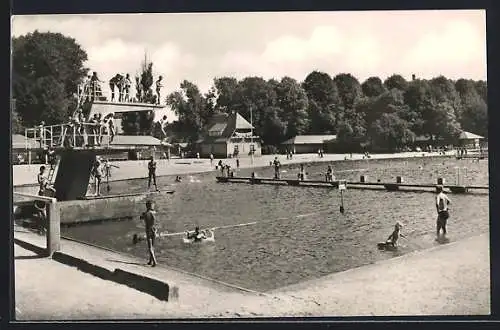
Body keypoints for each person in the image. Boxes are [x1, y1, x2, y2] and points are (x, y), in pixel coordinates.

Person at [141, 200, 158, 267]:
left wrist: (142, 216)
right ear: (151, 206)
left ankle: (154, 261)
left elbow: (141, 218)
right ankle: (150, 261)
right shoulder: (154, 213)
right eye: (153, 205)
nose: (154, 206)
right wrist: (155, 231)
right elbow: (154, 222)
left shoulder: (145, 213)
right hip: (154, 229)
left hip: (148, 230)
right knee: (152, 246)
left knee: (150, 247)